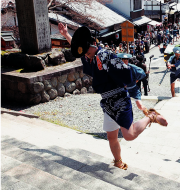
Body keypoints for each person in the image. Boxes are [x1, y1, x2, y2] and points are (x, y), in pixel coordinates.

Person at [58, 23, 168, 170]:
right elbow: (79, 47)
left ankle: (151, 116)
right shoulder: (91, 56)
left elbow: (126, 74)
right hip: (107, 102)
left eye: (86, 51)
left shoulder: (106, 55)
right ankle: (118, 161)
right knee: (111, 137)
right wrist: (66, 35)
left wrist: (131, 87)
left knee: (128, 135)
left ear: (92, 44)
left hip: (120, 99)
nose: (85, 54)